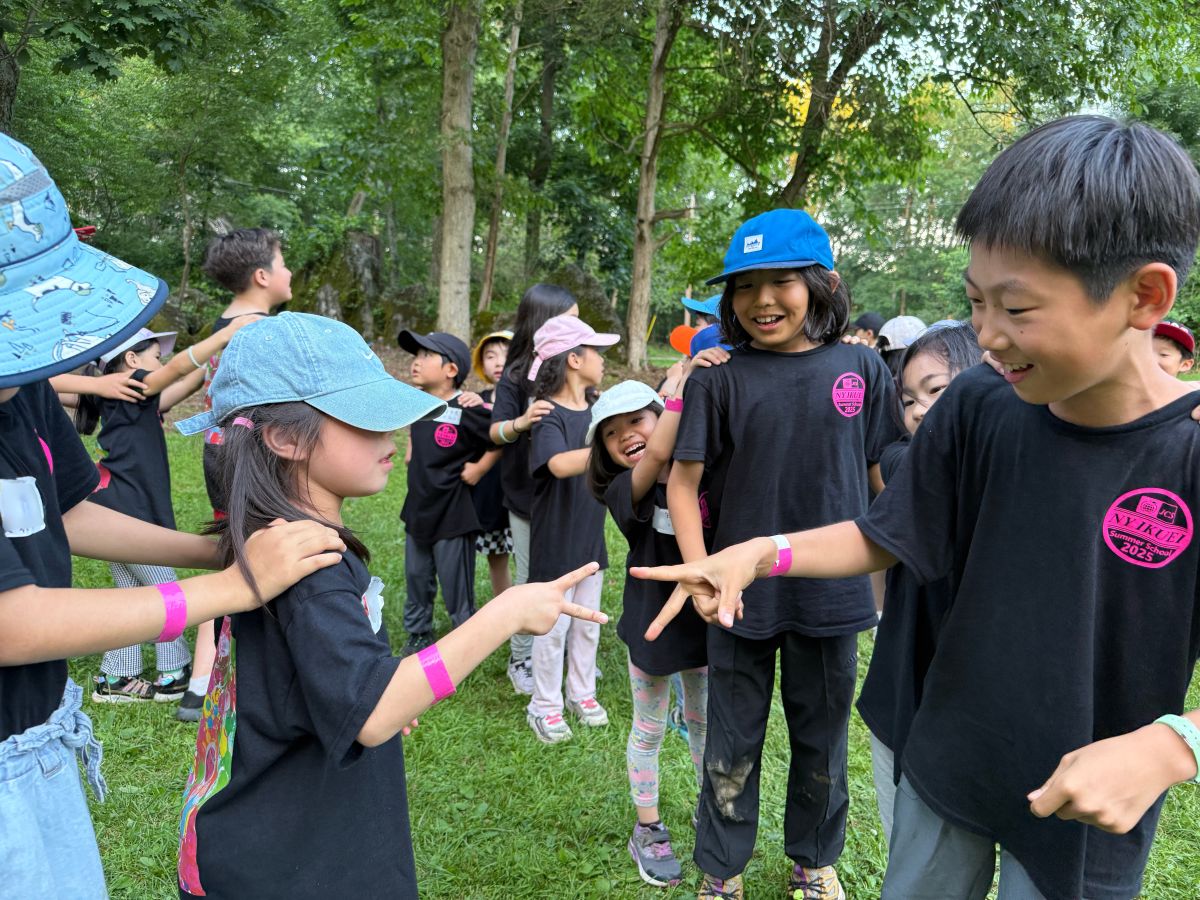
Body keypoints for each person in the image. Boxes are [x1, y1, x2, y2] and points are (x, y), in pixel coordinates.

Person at [636, 117, 1200, 900]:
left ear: (1144, 296)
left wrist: (1173, 747)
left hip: (1090, 801)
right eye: (975, 302)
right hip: (947, 761)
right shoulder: (980, 403)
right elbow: (885, 531)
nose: (987, 337)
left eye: (1017, 309)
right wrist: (765, 552)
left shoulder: (1189, 451)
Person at [0, 132, 343, 900]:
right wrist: (227, 592)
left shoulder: (20, 391)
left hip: (34, 734)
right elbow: (10, 623)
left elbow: (71, 514)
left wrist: (205, 550)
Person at [172, 312, 608, 898]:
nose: (392, 438)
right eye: (366, 421)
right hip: (291, 864)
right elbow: (374, 712)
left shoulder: (272, 539)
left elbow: (332, 683)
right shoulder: (313, 570)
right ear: (285, 437)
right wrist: (504, 613)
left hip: (270, 838)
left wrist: (391, 684)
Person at [668, 208, 901, 900]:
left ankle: (813, 859)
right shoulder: (718, 377)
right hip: (738, 595)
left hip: (833, 594)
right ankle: (722, 871)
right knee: (730, 743)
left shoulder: (863, 367)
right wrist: (702, 572)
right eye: (744, 286)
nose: (762, 300)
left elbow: (884, 476)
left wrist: (899, 567)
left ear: (820, 285)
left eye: (781, 282)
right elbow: (682, 484)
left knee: (822, 739)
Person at [586, 363, 725, 887]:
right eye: (612, 432)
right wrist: (682, 387)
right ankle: (647, 829)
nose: (627, 435)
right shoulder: (624, 489)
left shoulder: (704, 469)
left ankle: (708, 807)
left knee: (703, 722)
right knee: (648, 729)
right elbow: (661, 451)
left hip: (704, 624)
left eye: (636, 419)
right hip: (651, 628)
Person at [74, 321, 257, 703]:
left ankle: (117, 676)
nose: (163, 363)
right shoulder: (132, 387)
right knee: (164, 586)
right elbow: (176, 373)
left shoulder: (131, 398)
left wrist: (213, 366)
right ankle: (174, 673)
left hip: (120, 500)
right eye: (156, 357)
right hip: (130, 504)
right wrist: (223, 335)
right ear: (131, 361)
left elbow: (183, 383)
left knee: (133, 588)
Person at [854, 321, 981, 844]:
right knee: (907, 848)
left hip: (976, 703)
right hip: (902, 690)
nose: (920, 410)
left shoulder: (1021, 464)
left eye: (937, 390)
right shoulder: (904, 458)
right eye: (909, 399)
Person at [178, 227, 293, 721]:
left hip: (217, 449)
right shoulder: (260, 329)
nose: (290, 273)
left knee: (233, 547)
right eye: (283, 263)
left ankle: (200, 683)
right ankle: (216, 679)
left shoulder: (225, 322)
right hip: (250, 453)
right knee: (253, 555)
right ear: (263, 275)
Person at [525, 314, 619, 743]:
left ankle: (582, 693)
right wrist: (608, 452)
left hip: (589, 540)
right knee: (554, 626)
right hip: (556, 544)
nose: (603, 360)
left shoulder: (599, 411)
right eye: (597, 352)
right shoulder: (548, 415)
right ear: (575, 360)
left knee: (587, 624)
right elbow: (560, 464)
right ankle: (544, 705)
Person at [488, 284, 579, 695]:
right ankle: (521, 656)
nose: (580, 329)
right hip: (526, 497)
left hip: (566, 495)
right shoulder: (513, 377)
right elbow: (494, 432)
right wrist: (522, 423)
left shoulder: (575, 372)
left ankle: (562, 655)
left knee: (571, 569)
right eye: (571, 321)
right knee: (530, 577)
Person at [396, 329, 493, 657]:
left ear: (451, 370)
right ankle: (418, 632)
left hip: (453, 513)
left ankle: (465, 639)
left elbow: (501, 438)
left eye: (425, 356)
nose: (416, 362)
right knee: (416, 575)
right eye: (416, 355)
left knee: (456, 583)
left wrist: (480, 468)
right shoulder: (418, 403)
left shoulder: (468, 408)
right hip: (418, 510)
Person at [468, 330, 514, 602]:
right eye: (491, 355)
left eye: (507, 355)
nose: (499, 362)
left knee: (529, 556)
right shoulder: (476, 399)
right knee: (497, 556)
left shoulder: (526, 401)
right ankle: (505, 609)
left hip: (521, 491)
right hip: (489, 493)